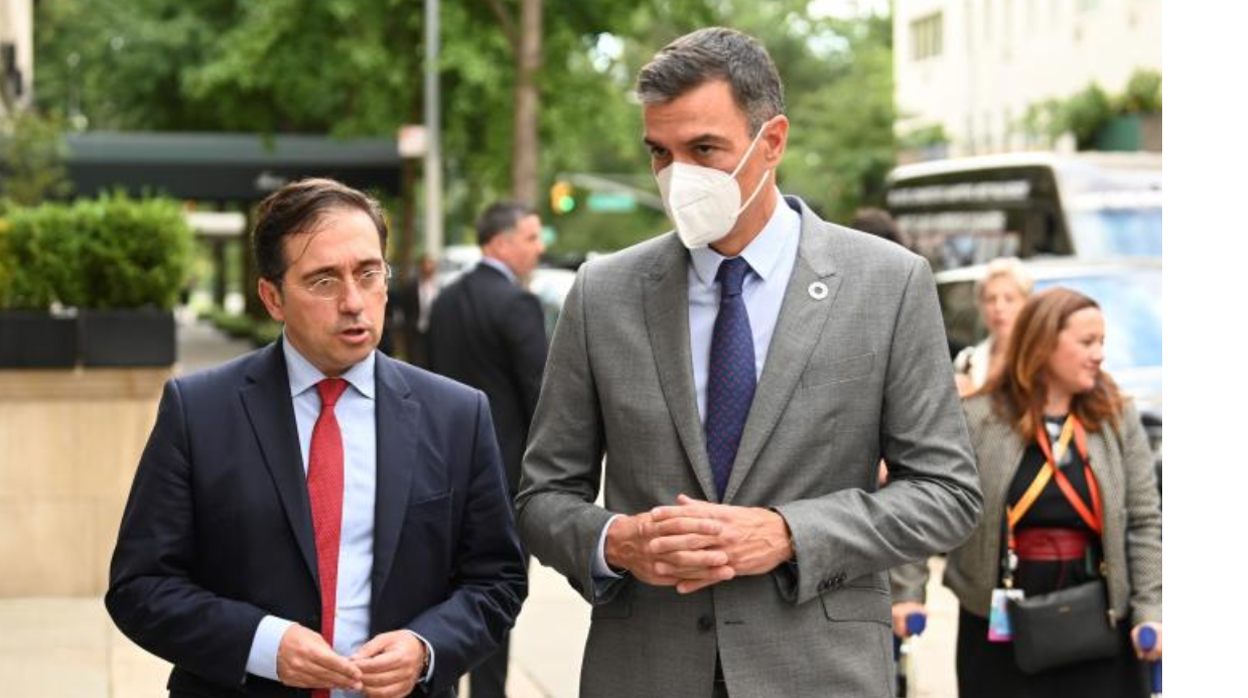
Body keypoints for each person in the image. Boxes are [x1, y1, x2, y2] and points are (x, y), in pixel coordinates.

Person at [515, 27, 982, 698]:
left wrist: (791, 534)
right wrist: (616, 541)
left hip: (822, 671)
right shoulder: (603, 292)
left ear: (773, 142)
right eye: (660, 153)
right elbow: (541, 498)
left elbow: (946, 491)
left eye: (704, 148)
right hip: (646, 669)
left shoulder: (888, 282)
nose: (679, 177)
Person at [105, 178, 528, 698]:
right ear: (272, 297)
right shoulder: (198, 411)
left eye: (368, 273)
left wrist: (425, 648)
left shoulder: (458, 414)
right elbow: (140, 587)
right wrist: (263, 645)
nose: (353, 301)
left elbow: (496, 581)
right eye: (324, 281)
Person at [890, 287, 1162, 697]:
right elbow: (927, 502)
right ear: (1042, 344)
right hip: (999, 622)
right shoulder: (979, 418)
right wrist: (907, 593)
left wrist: (1151, 609)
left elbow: (1143, 521)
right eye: (1087, 342)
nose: (1100, 354)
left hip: (1101, 618)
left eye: (1102, 342)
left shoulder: (1116, 417)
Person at [427, 201, 548, 698]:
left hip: (439, 471)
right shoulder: (517, 303)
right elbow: (542, 395)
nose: (539, 248)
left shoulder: (446, 300)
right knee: (494, 600)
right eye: (531, 237)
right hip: (502, 478)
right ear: (500, 243)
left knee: (444, 598)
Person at [953, 256, 1034, 396]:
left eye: (1009, 299)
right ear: (980, 306)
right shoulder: (967, 360)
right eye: (991, 299)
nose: (999, 307)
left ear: (1027, 304)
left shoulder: (1041, 357)